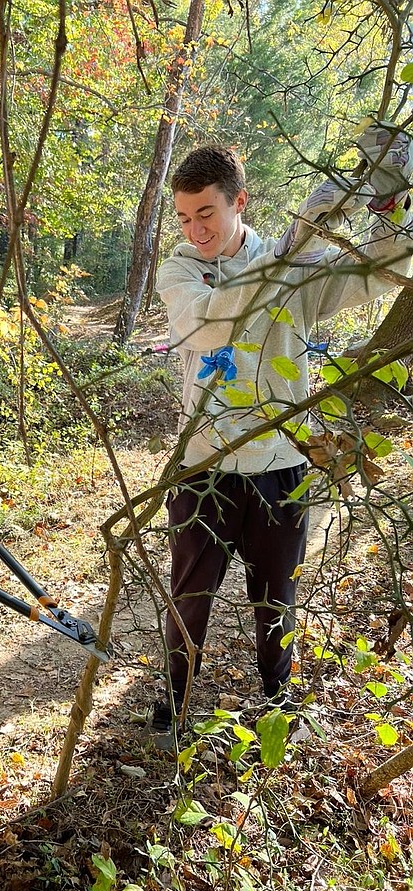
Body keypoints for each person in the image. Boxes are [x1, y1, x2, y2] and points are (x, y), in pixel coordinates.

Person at [153, 123, 413, 734]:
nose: (196, 230)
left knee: (276, 599)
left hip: (279, 465)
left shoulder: (294, 264)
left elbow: (383, 270)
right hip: (203, 467)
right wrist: (287, 251)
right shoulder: (179, 271)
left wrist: (388, 200)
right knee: (189, 599)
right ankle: (174, 700)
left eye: (206, 213)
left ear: (238, 202)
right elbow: (210, 325)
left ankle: (279, 700)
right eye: (185, 217)